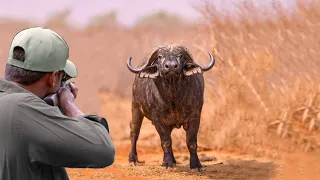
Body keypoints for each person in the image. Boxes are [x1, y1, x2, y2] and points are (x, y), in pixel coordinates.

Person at [0, 27, 115, 180]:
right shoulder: (22, 110)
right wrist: (68, 105)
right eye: (62, 79)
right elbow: (103, 149)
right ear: (53, 78)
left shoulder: (10, 103)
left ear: (8, 68)